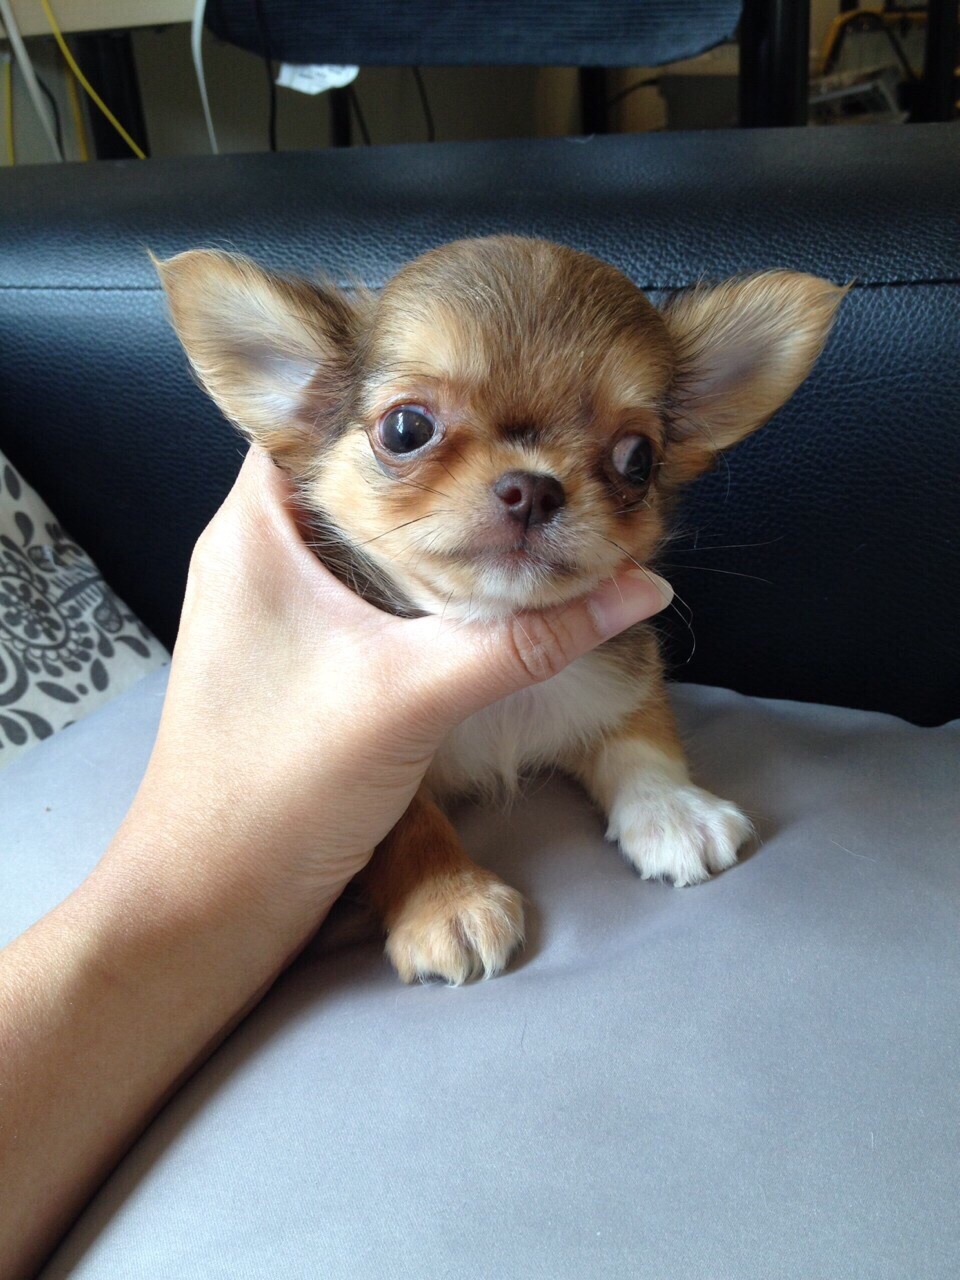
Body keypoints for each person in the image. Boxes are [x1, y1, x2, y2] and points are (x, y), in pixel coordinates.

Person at [0, 448, 672, 1277]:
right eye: (412, 430)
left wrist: (649, 784)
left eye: (628, 459)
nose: (528, 488)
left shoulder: (605, 660)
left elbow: (628, 704)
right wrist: (424, 872)